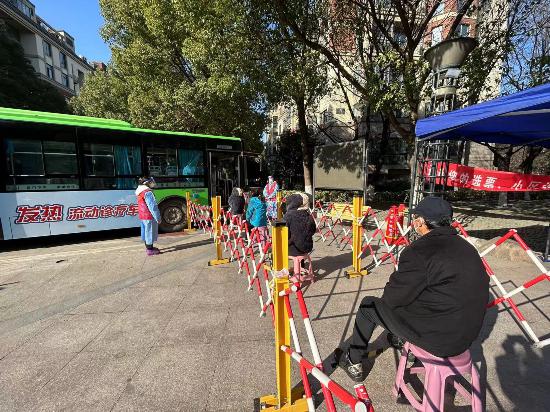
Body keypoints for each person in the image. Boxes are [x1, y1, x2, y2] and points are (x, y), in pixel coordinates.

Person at [337, 196, 489, 382]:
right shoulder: (468, 248)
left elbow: (392, 298)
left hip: (438, 340)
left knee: (369, 306)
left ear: (421, 222)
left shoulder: (420, 250)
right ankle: (402, 338)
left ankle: (353, 360)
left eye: (416, 217)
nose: (414, 222)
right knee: (421, 294)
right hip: (465, 338)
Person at [284, 193, 316, 281]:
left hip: (294, 249)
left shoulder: (288, 216)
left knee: (283, 244)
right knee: (300, 239)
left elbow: (285, 234)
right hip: (307, 247)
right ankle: (301, 265)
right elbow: (313, 230)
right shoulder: (308, 215)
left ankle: (284, 271)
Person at [135, 176, 162, 256]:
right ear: (146, 183)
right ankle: (150, 250)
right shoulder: (148, 192)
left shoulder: (140, 191)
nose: (152, 183)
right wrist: (158, 218)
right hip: (149, 215)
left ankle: (149, 247)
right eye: (151, 182)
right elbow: (152, 207)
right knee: (150, 232)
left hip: (142, 215)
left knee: (146, 231)